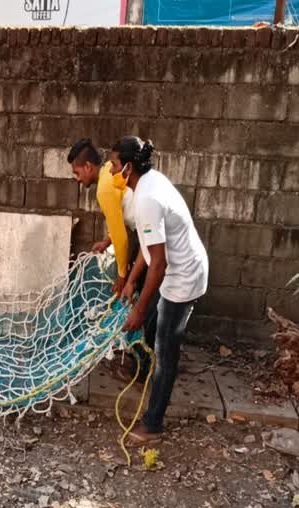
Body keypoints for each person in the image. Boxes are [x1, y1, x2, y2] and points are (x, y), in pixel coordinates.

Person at [114, 136, 209, 446]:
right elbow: (149, 247)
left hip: (182, 277)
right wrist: (131, 282)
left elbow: (159, 262)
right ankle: (145, 376)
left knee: (166, 349)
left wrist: (139, 310)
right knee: (155, 330)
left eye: (115, 165)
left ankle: (153, 424)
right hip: (172, 270)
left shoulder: (146, 201)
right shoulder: (150, 183)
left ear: (128, 168)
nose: (112, 171)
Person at [67, 139, 134, 296]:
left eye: (77, 172)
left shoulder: (104, 189)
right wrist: (107, 241)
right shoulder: (110, 169)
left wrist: (122, 276)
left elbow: (121, 238)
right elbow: (119, 218)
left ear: (88, 167)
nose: (77, 179)